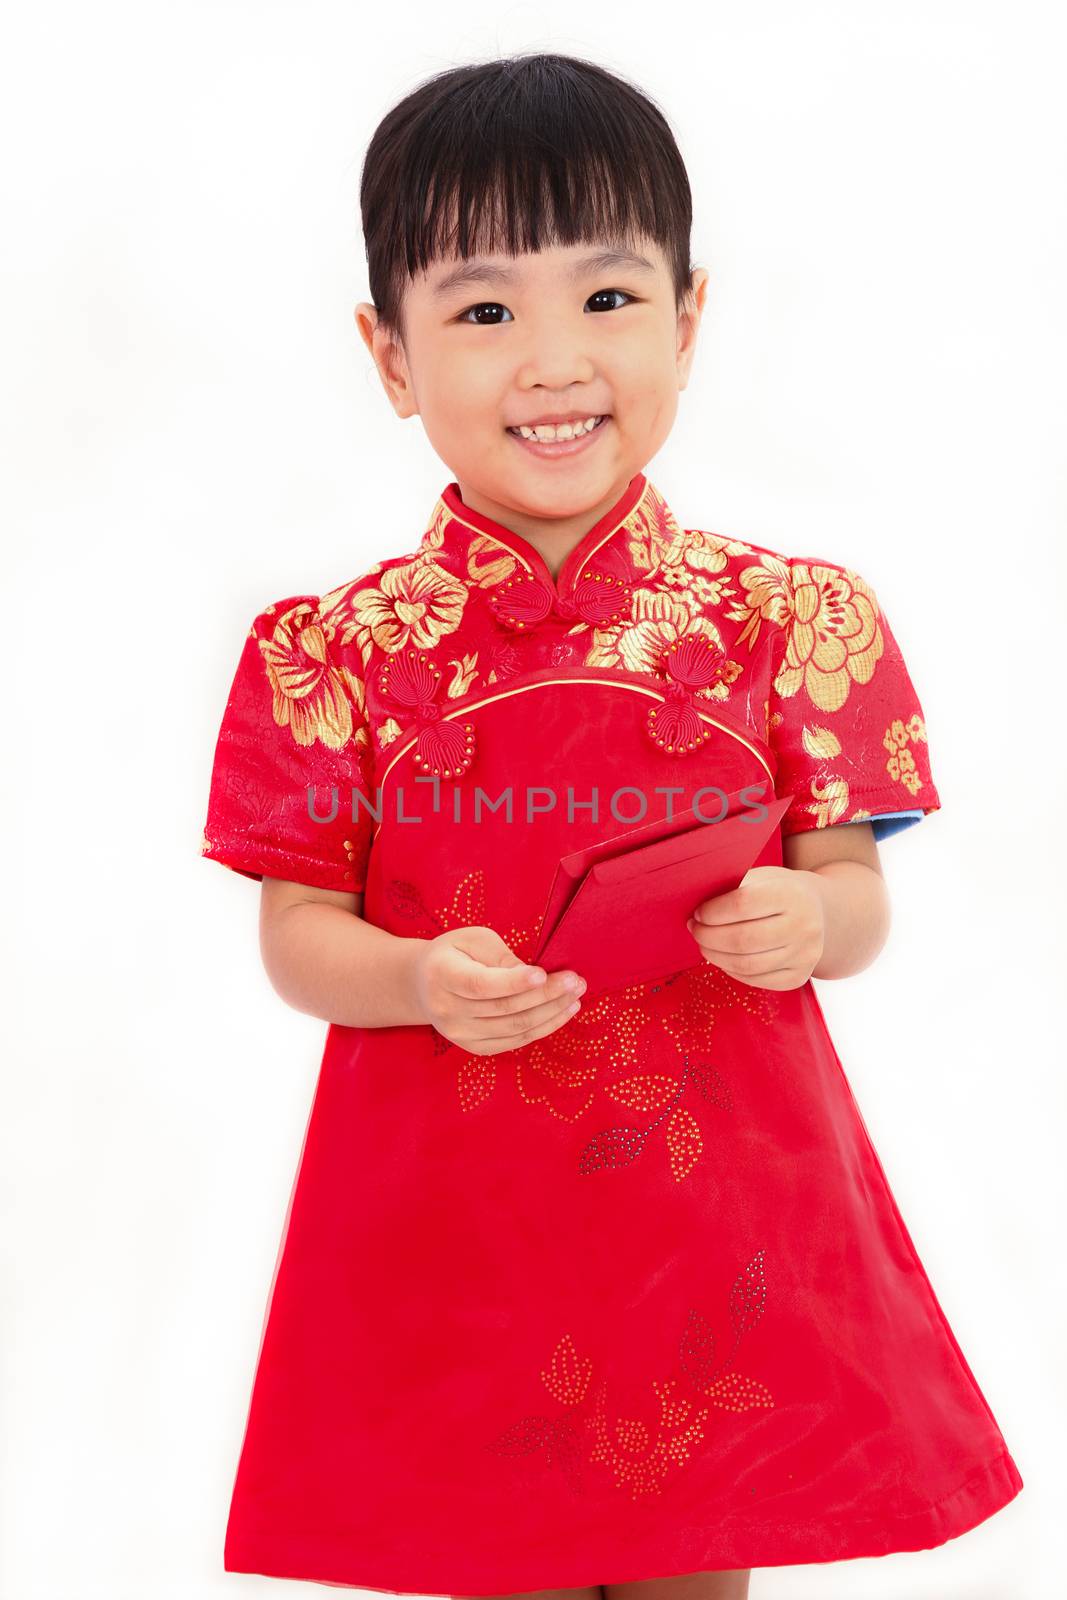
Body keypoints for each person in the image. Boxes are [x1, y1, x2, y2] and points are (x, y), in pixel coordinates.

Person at [199, 50, 1022, 1600]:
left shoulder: (793, 616)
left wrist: (810, 919)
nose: (554, 361)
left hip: (714, 1226)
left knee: (698, 1561)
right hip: (456, 1230)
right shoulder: (330, 656)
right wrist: (420, 978)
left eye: (609, 298)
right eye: (485, 311)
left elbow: (856, 893)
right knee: (483, 1560)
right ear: (390, 355)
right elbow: (300, 943)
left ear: (689, 320)